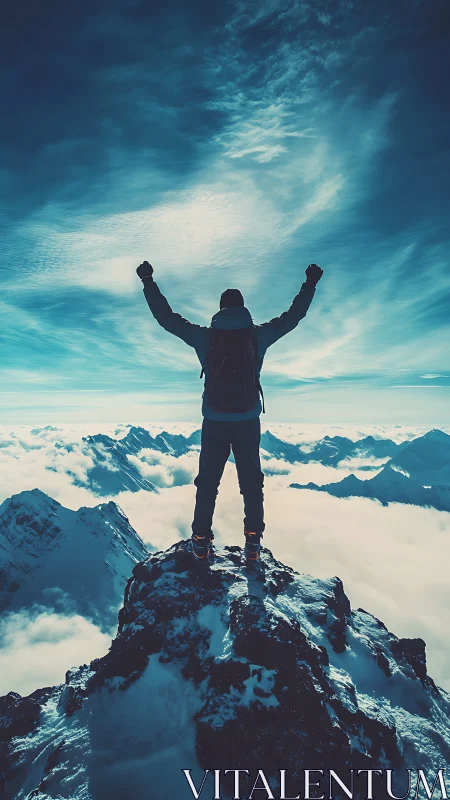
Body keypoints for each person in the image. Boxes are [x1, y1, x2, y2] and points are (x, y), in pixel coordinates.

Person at [136, 261, 323, 562]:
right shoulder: (258, 335)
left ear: (220, 309)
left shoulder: (206, 337)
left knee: (207, 483)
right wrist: (309, 283)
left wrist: (148, 280)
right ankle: (252, 542)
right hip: (248, 420)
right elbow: (293, 317)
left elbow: (166, 318)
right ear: (243, 308)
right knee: (251, 482)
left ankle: (200, 540)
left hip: (214, 421)